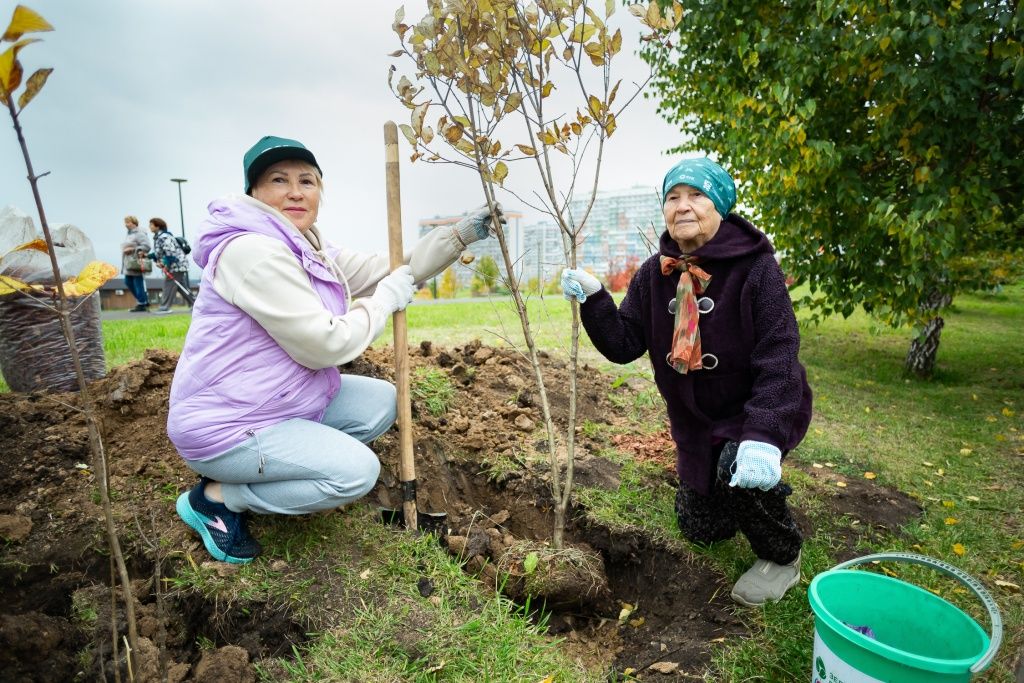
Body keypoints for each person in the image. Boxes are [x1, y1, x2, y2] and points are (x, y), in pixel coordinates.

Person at [168, 135, 503, 564]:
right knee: (356, 472)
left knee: (383, 401)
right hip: (227, 424)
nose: (295, 191)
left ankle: (285, 466)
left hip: (273, 403)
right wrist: (384, 300)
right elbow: (323, 345)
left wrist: (457, 236)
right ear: (253, 192)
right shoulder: (251, 253)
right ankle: (219, 497)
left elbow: (391, 268)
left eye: (307, 181)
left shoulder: (307, 247)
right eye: (278, 180)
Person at [561, 157, 812, 606]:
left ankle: (781, 555)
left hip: (754, 410)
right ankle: (730, 499)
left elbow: (780, 358)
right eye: (672, 197)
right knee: (702, 530)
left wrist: (762, 436)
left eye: (696, 195)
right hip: (695, 422)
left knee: (741, 470)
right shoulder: (654, 274)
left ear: (720, 206)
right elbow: (624, 344)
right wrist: (596, 298)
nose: (683, 206)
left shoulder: (756, 269)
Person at [148, 217, 192, 312]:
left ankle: (164, 307)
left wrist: (165, 264)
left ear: (158, 226)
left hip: (176, 265)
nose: (150, 227)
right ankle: (195, 304)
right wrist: (148, 256)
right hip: (178, 265)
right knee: (181, 287)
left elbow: (170, 252)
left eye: (151, 225)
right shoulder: (160, 237)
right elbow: (158, 253)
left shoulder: (164, 236)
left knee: (169, 285)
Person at [120, 215, 152, 312]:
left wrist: (133, 249)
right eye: (125, 222)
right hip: (128, 263)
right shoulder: (129, 234)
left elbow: (147, 246)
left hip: (136, 262)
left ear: (134, 223)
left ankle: (142, 303)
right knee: (128, 282)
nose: (126, 225)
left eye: (128, 222)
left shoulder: (139, 233)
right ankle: (143, 300)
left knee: (138, 283)